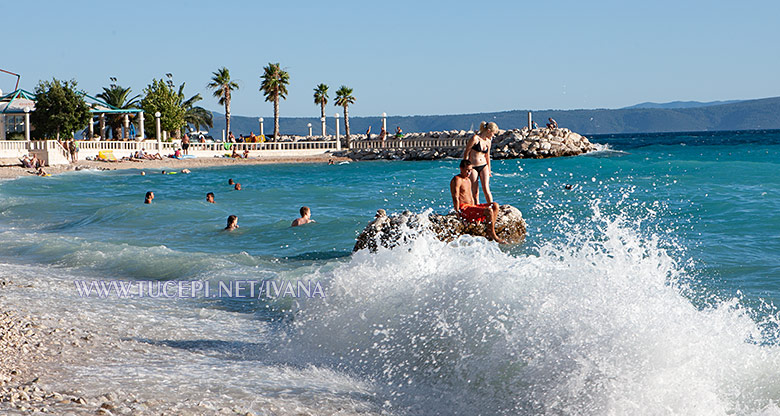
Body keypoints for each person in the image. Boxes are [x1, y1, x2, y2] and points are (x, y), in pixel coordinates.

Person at [450, 160, 506, 244]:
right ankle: (493, 235)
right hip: (464, 208)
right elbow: (455, 197)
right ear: (461, 168)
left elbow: (471, 197)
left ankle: (489, 230)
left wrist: (477, 213)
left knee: (495, 205)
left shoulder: (468, 180)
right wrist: (458, 212)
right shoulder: (457, 179)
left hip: (471, 207)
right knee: (488, 210)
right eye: (467, 170)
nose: (469, 172)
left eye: (471, 170)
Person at [462, 121, 498, 204]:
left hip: (484, 166)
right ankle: (476, 208)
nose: (493, 135)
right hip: (473, 166)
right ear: (488, 131)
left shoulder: (488, 141)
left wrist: (489, 169)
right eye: (493, 133)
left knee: (486, 188)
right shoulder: (475, 138)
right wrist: (465, 167)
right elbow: (467, 152)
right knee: (475, 191)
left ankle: (491, 206)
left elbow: (487, 156)